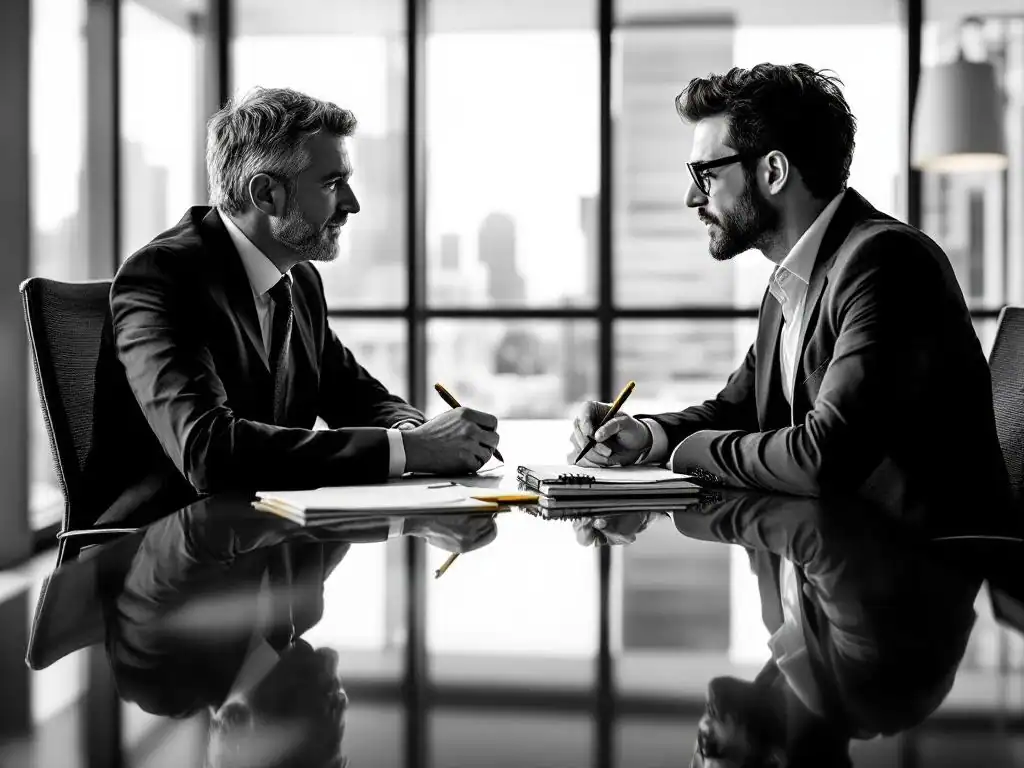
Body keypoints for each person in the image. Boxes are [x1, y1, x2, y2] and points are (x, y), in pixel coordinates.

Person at [569, 64, 1008, 519]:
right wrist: (646, 434)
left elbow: (825, 456)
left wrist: (692, 453)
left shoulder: (886, 262)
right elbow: (738, 412)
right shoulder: (790, 279)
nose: (692, 198)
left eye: (706, 174)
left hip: (923, 569)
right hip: (833, 552)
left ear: (773, 171)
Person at [110, 87, 498, 516]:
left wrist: (407, 429)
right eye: (333, 184)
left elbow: (357, 395)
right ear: (266, 195)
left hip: (274, 538)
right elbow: (208, 450)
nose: (352, 204)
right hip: (171, 549)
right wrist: (410, 448)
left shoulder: (300, 281)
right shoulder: (164, 276)